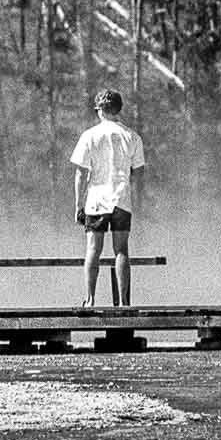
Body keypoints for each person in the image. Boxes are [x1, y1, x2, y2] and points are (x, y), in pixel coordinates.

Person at [70, 87, 146, 308]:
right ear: (118, 109)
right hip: (121, 198)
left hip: (96, 199)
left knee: (93, 249)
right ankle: (123, 302)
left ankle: (91, 299)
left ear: (100, 110)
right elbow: (138, 171)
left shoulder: (90, 136)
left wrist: (78, 205)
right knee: (121, 250)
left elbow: (81, 173)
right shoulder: (132, 136)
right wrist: (131, 193)